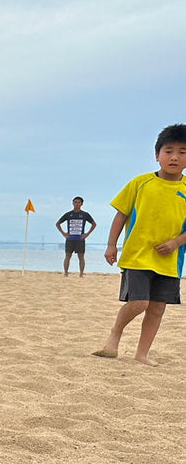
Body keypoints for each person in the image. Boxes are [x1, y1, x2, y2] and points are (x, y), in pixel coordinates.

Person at [92, 124, 186, 366]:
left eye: (183, 152)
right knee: (139, 302)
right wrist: (111, 245)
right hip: (137, 255)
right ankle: (114, 335)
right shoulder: (140, 183)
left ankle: (142, 354)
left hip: (170, 261)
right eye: (169, 151)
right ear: (157, 155)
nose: (175, 157)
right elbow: (121, 215)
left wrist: (176, 242)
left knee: (157, 309)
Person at [55, 197, 97, 276]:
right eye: (75, 202)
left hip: (80, 239)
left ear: (82, 204)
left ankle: (81, 273)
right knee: (68, 256)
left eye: (78, 202)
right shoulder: (68, 214)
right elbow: (58, 224)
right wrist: (64, 233)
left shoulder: (85, 214)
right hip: (70, 238)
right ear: (73, 203)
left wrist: (87, 234)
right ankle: (66, 273)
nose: (77, 204)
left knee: (81, 257)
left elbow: (94, 224)